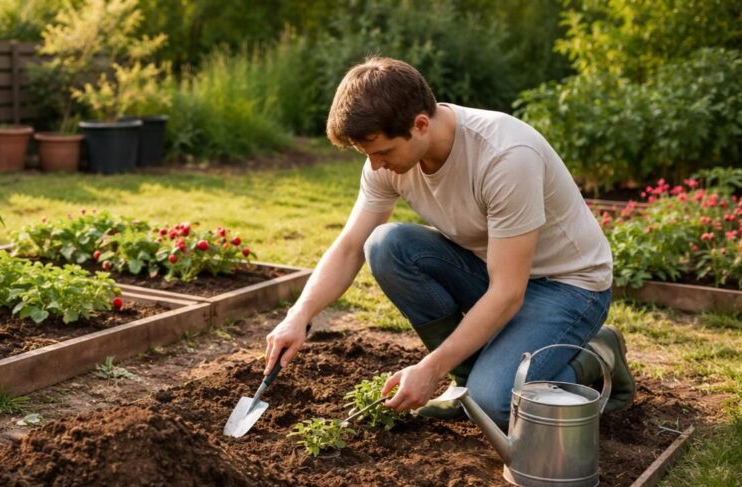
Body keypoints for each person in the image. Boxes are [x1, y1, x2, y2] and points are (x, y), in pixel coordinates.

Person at [263, 56, 635, 427]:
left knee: (496, 405)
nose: (375, 166)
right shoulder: (389, 161)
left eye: (381, 153)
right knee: (386, 245)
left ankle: (595, 355)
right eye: (367, 155)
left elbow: (508, 292)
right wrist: (299, 316)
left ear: (420, 124)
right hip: (494, 274)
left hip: (568, 287)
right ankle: (469, 380)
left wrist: (430, 368)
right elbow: (349, 247)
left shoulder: (505, 157)